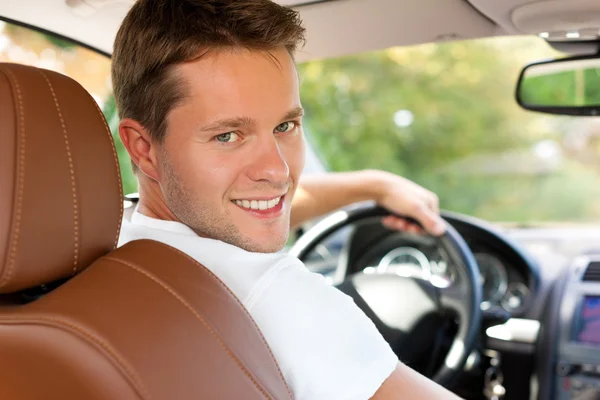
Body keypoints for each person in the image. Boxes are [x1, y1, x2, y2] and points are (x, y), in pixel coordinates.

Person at [114, 0, 460, 398]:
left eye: (285, 125)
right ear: (143, 149)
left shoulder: (108, 242)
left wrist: (375, 186)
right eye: (227, 136)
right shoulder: (286, 306)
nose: (278, 171)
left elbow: (247, 207)